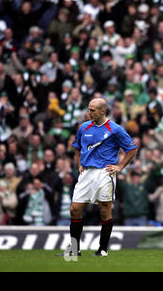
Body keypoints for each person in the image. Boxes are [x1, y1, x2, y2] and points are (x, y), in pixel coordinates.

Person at [59, 98, 138, 257]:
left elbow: (132, 148)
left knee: (104, 209)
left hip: (104, 172)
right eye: (89, 109)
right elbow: (76, 146)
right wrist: (79, 163)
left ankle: (102, 249)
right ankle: (75, 250)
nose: (89, 113)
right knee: (74, 209)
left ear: (103, 111)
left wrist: (120, 166)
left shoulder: (115, 129)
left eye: (93, 110)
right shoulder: (84, 127)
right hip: (86, 172)